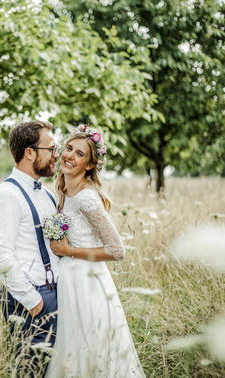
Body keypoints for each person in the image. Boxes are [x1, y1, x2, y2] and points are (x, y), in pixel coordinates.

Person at [46, 124, 145, 377]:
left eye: (80, 154)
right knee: (72, 350)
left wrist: (68, 251)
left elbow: (117, 250)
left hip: (88, 283)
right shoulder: (63, 190)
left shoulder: (87, 198)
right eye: (69, 148)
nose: (70, 156)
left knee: (92, 348)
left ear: (90, 165)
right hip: (69, 281)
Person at [0, 120, 60, 375]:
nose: (56, 155)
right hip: (30, 301)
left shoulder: (47, 193)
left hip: (56, 295)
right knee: (30, 371)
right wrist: (34, 302)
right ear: (29, 152)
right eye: (51, 149)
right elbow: (0, 258)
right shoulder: (8, 195)